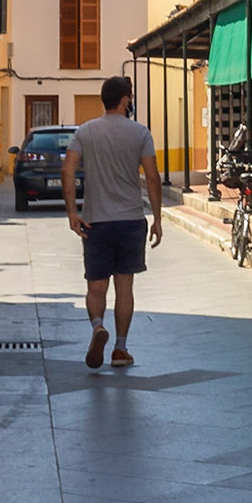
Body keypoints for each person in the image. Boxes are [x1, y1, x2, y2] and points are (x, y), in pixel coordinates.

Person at [64, 74, 162, 369]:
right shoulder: (140, 133)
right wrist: (157, 217)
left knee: (96, 288)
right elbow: (153, 176)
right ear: (124, 99)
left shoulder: (85, 131)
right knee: (125, 288)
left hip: (96, 222)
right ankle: (120, 349)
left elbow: (67, 169)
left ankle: (97, 327)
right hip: (131, 220)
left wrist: (72, 212)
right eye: (129, 97)